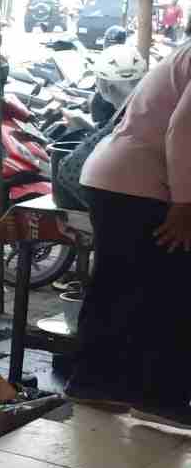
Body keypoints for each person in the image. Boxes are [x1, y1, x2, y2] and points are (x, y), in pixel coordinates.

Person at [68, 43, 191, 425]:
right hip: (137, 184)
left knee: (120, 285)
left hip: (122, 179)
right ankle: (159, 396)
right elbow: (183, 129)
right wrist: (185, 204)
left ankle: (96, 384)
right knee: (172, 291)